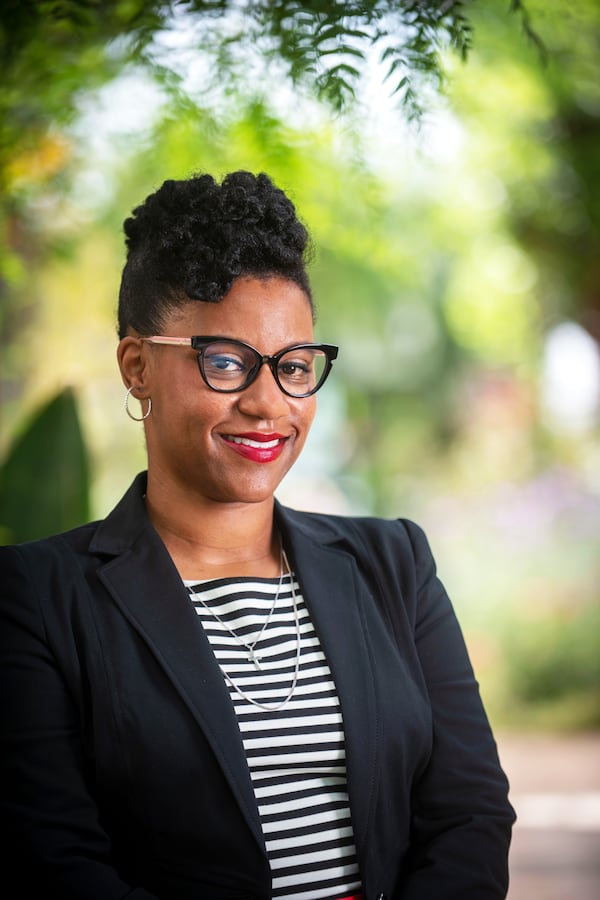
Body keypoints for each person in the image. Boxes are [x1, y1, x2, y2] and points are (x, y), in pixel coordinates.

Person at [0, 170, 515, 900]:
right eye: (224, 361)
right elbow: (54, 863)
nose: (268, 402)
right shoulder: (37, 597)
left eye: (295, 366)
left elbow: (469, 812)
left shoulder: (394, 564)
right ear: (137, 366)